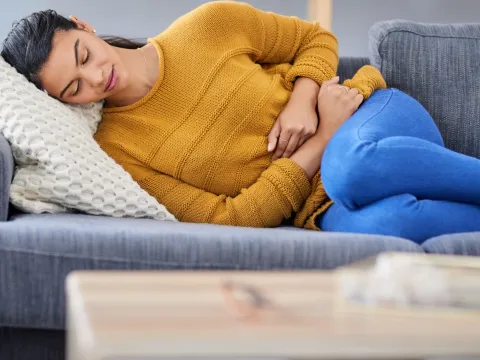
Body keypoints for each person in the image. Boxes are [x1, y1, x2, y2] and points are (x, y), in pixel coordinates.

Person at [2, 1, 480, 244]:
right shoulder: (118, 150)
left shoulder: (205, 25)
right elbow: (227, 220)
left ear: (82, 27)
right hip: (318, 202)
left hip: (369, 115)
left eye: (82, 56)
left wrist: (305, 98)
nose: (94, 78)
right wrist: (322, 137)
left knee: (351, 168)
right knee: (392, 222)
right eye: (73, 89)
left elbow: (313, 38)